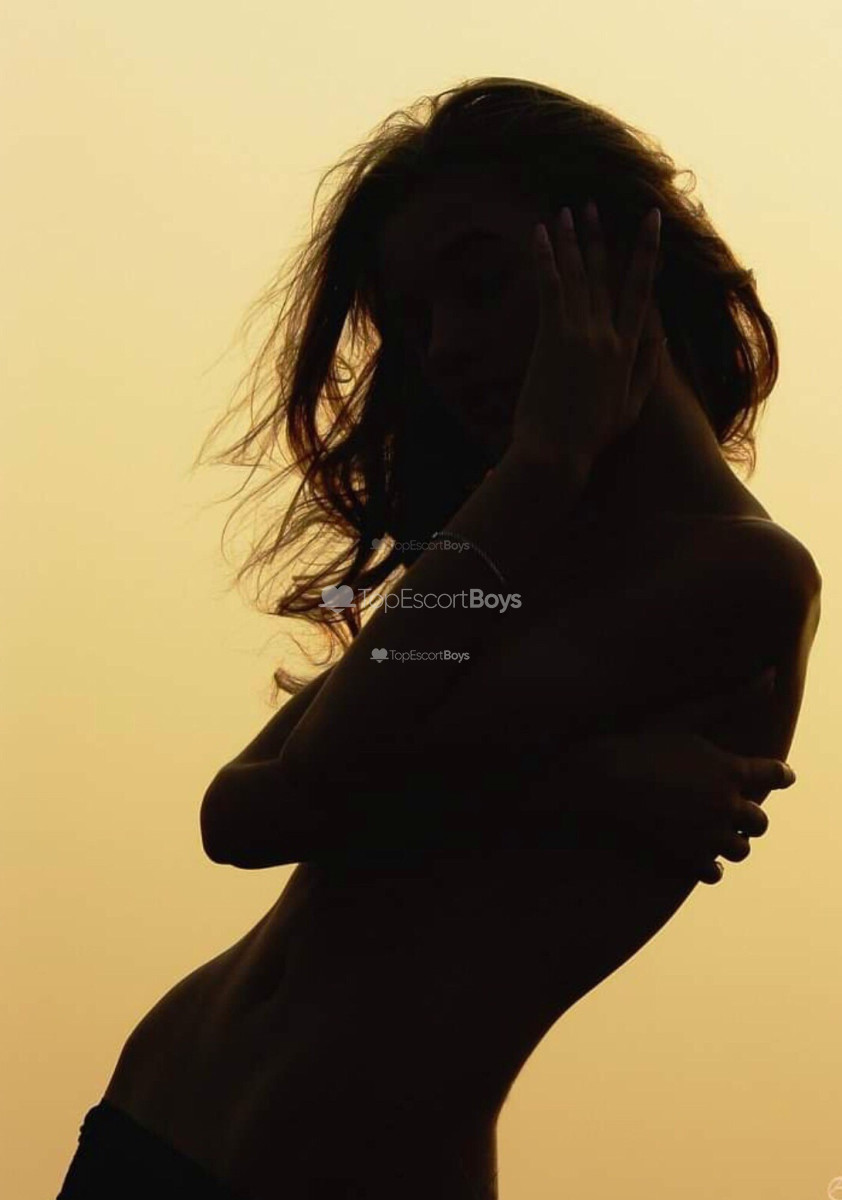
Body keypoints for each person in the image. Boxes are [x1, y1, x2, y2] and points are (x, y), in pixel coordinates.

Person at [57, 78, 821, 1200]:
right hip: (145, 1125)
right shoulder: (500, 548)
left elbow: (314, 786)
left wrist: (542, 464)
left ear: (625, 259)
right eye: (415, 318)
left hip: (335, 1162)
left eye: (482, 284)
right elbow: (235, 812)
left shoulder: (736, 575)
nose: (446, 345)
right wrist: (582, 777)